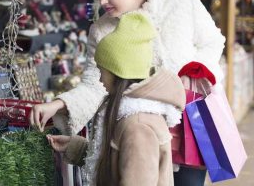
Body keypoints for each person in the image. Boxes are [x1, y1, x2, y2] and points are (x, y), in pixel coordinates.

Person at [29, 0, 225, 185]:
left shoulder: (182, 2)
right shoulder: (101, 30)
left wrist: (191, 75)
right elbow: (96, 84)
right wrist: (59, 104)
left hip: (190, 123)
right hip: (137, 125)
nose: (102, 1)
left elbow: (213, 42)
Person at [47, 13, 186, 186]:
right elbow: (113, 163)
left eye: (102, 71)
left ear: (119, 73)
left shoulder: (138, 128)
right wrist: (75, 147)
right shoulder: (127, 116)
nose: (99, 79)